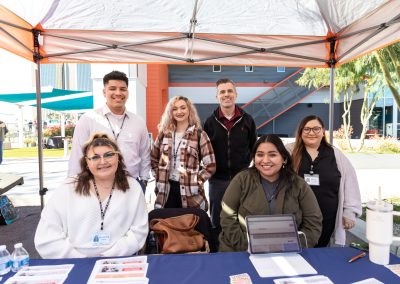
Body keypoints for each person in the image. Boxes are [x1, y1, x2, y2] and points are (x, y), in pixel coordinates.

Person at [35, 133, 148, 258]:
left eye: (109, 155)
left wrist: (107, 257)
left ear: (118, 158)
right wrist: (81, 260)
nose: (103, 161)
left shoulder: (133, 188)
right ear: (86, 163)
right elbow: (46, 237)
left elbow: (139, 231)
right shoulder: (68, 188)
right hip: (75, 263)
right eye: (95, 157)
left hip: (119, 261)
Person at [219, 134, 322, 252]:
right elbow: (227, 218)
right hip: (240, 251)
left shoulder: (299, 185)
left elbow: (313, 222)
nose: (265, 160)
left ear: (284, 158)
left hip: (289, 252)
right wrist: (248, 246)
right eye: (260, 155)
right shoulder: (241, 180)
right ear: (254, 158)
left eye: (272, 155)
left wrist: (293, 246)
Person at [68, 70, 150, 191]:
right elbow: (77, 156)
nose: (118, 93)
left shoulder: (139, 122)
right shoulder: (88, 119)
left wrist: (144, 180)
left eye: (123, 89)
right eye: (112, 88)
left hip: (131, 185)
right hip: (96, 186)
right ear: (104, 92)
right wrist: (73, 186)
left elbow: (144, 154)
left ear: (127, 92)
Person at [288, 115, 362, 247]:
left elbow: (350, 183)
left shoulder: (335, 154)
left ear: (323, 132)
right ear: (300, 132)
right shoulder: (290, 151)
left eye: (316, 129)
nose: (311, 133)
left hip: (327, 218)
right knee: (297, 249)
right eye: (307, 129)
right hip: (297, 217)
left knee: (321, 253)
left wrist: (349, 211)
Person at [203, 78, 257, 234]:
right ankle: (217, 252)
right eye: (222, 92)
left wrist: (250, 171)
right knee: (217, 220)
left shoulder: (248, 120)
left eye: (229, 91)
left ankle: (241, 251)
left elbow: (254, 148)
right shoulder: (209, 122)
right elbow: (204, 151)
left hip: (242, 179)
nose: (226, 95)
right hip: (217, 180)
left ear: (236, 94)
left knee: (242, 219)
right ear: (217, 97)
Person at [151, 96, 216, 210]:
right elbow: (153, 159)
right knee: (167, 225)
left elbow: (210, 165)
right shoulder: (164, 134)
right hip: (166, 191)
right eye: (175, 109)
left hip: (190, 192)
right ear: (170, 112)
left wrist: (196, 181)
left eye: (183, 108)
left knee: (190, 226)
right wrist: (159, 176)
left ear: (189, 110)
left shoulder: (200, 135)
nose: (179, 112)